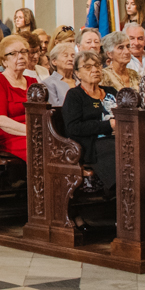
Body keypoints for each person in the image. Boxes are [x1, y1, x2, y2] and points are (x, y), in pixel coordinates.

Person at [59, 52, 117, 190]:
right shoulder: (75, 95)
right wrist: (108, 125)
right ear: (77, 73)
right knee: (117, 150)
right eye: (88, 67)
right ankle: (119, 192)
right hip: (91, 144)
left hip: (118, 137)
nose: (95, 70)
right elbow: (73, 127)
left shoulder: (111, 91)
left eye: (97, 65)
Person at [0, 35, 35, 160]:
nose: (21, 56)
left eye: (24, 52)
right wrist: (32, 131)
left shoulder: (33, 82)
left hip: (34, 133)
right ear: (4, 61)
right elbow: (1, 121)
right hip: (10, 136)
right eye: (14, 53)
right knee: (40, 148)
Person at [39, 40, 79, 107]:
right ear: (54, 61)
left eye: (73, 56)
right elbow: (56, 109)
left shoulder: (81, 81)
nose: (70, 59)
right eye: (66, 56)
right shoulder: (48, 83)